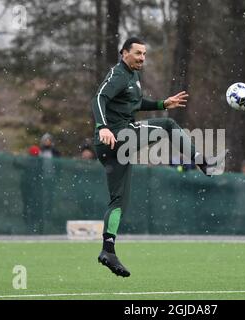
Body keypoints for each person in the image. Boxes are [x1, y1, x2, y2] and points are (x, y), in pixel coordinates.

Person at [91, 37, 226, 277]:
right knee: (167, 125)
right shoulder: (118, 74)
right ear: (124, 53)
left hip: (114, 147)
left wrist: (162, 102)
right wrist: (103, 126)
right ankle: (201, 160)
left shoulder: (132, 77)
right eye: (137, 53)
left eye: (144, 54)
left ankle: (108, 250)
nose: (142, 57)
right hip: (116, 135)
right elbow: (99, 98)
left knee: (119, 201)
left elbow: (133, 102)